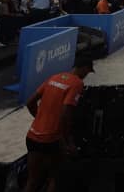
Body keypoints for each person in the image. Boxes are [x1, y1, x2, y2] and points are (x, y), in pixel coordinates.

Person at [24, 55, 95, 192]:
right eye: (87, 71)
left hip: (32, 136)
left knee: (32, 181)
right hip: (52, 139)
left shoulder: (53, 78)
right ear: (84, 68)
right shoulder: (77, 84)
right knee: (55, 178)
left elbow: (30, 102)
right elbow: (65, 114)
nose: (86, 75)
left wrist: (39, 118)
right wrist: (68, 141)